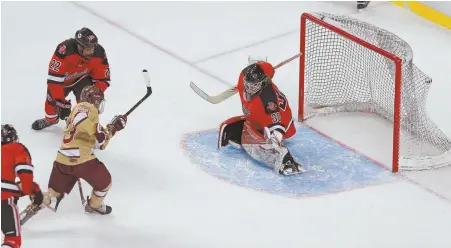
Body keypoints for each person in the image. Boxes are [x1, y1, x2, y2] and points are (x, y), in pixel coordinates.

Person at [40, 85, 127, 215]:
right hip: (82, 160)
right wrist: (97, 131)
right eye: (98, 101)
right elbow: (80, 121)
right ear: (92, 99)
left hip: (62, 159)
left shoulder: (85, 113)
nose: (98, 104)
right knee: (105, 182)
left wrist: (111, 129)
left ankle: (34, 206)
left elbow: (100, 144)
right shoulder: (86, 107)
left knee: (53, 194)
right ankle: (94, 205)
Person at [218, 60, 305, 175]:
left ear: (263, 83)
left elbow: (277, 124)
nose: (249, 88)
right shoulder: (244, 75)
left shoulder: (269, 102)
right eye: (248, 84)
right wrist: (265, 68)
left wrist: (275, 140)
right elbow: (265, 67)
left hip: (281, 122)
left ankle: (287, 161)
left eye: (254, 85)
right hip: (257, 116)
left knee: (267, 141)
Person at [32, 27, 111, 131]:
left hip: (82, 80)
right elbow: (54, 79)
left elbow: (104, 78)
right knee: (52, 105)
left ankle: (84, 125)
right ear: (79, 46)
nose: (91, 52)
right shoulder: (64, 50)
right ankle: (51, 120)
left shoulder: (99, 52)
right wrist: (61, 102)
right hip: (62, 82)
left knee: (87, 104)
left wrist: (94, 92)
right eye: (88, 49)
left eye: (93, 48)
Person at [1, 124, 43, 248]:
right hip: (3, 198)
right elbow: (25, 174)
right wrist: (33, 190)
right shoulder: (16, 148)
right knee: (12, 240)